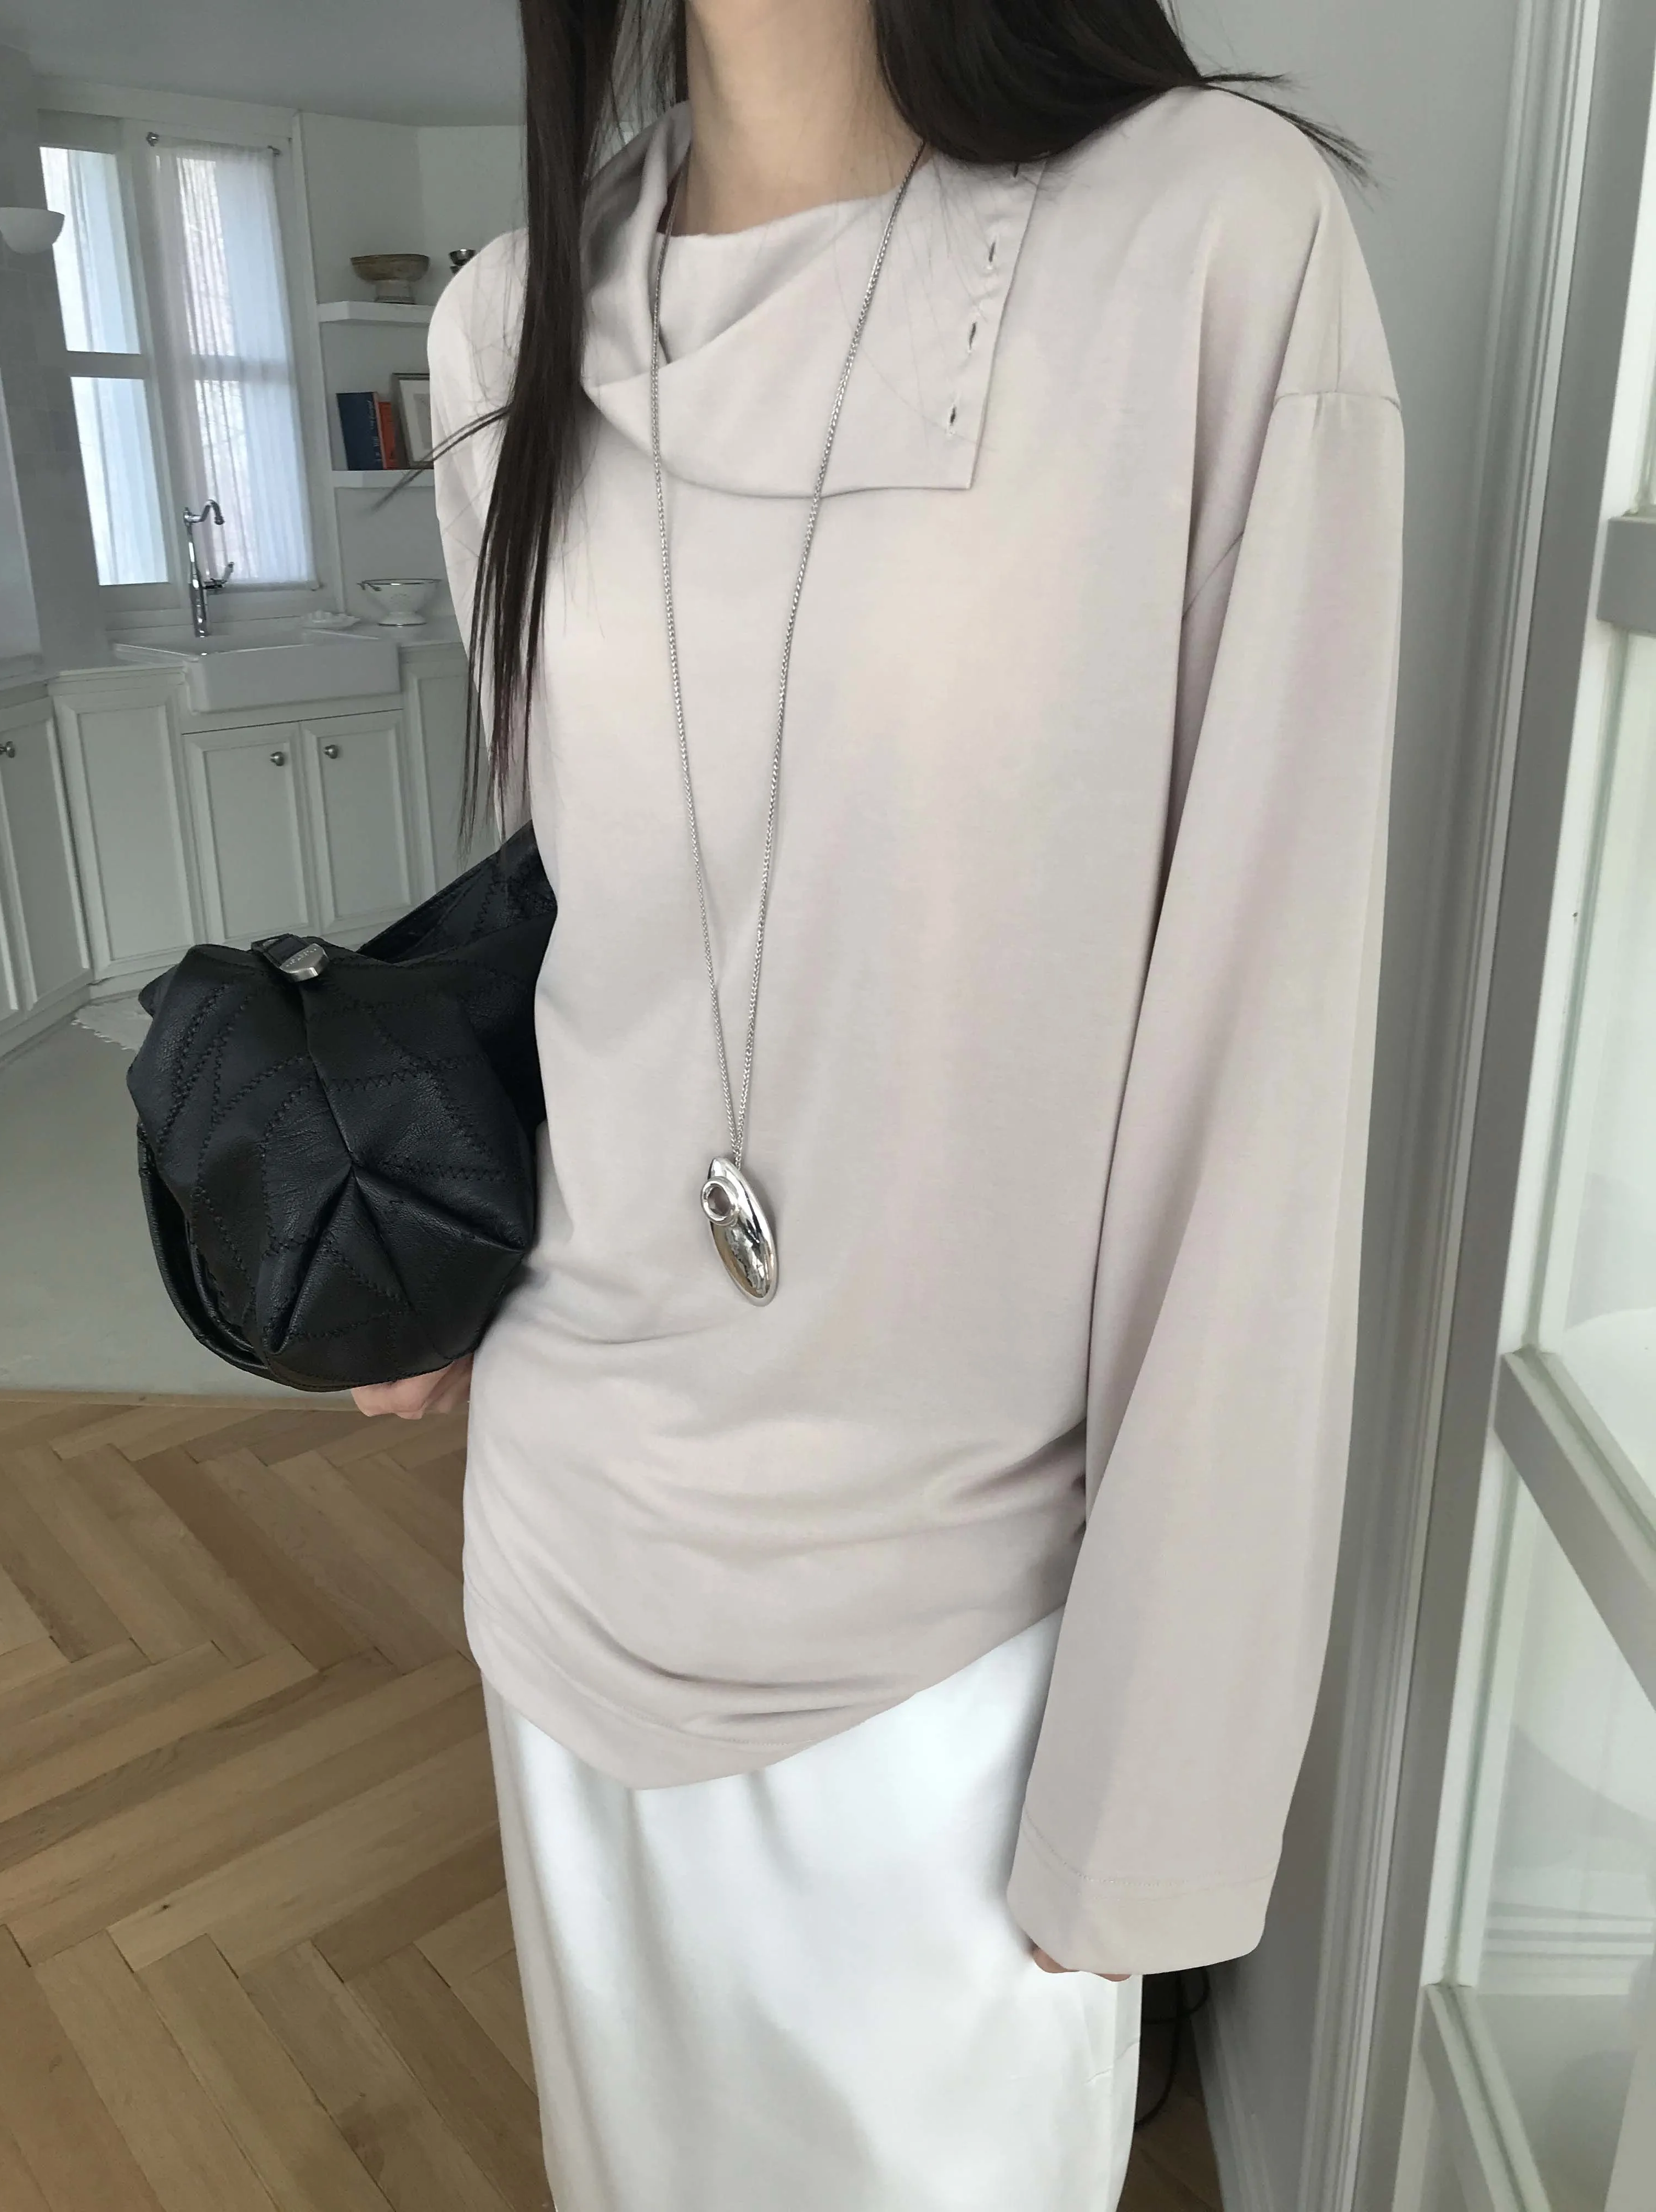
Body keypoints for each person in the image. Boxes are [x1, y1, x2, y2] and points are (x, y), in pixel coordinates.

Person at [352, 0, 1404, 2204]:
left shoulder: (1210, 239)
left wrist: (1161, 1795)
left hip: (955, 1663)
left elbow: (1264, 1087)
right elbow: (598, 910)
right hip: (568, 1555)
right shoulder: (498, 332)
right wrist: (430, 1243)